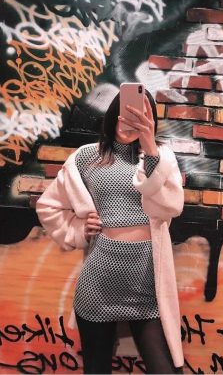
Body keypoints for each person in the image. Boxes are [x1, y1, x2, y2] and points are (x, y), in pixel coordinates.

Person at [36, 90, 184, 374]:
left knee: (164, 369)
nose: (129, 122)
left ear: (151, 122)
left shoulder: (161, 157)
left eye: (140, 117)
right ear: (114, 114)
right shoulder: (87, 157)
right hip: (98, 282)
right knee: (96, 369)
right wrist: (79, 228)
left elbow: (172, 206)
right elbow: (49, 206)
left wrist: (150, 149)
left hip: (147, 283)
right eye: (126, 114)